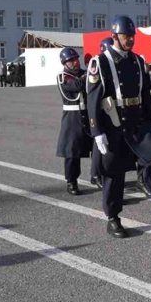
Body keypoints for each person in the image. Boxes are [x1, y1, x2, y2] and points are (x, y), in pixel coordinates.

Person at [87, 15, 151, 238]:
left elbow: (144, 94)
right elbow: (92, 100)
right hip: (114, 124)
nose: (131, 40)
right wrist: (97, 131)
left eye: (132, 36)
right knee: (114, 174)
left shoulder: (136, 61)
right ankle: (113, 218)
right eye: (127, 37)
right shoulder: (100, 62)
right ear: (115, 36)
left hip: (138, 122)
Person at [56, 47, 93, 196]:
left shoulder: (85, 73)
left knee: (97, 148)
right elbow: (76, 86)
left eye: (76, 59)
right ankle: (71, 181)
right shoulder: (63, 77)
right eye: (71, 60)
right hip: (72, 117)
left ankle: (97, 175)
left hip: (88, 114)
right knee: (72, 152)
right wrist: (90, 74)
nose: (75, 62)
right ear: (64, 63)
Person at [88, 37, 114, 189]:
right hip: (102, 111)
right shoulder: (98, 64)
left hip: (114, 113)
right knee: (99, 146)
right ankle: (96, 174)